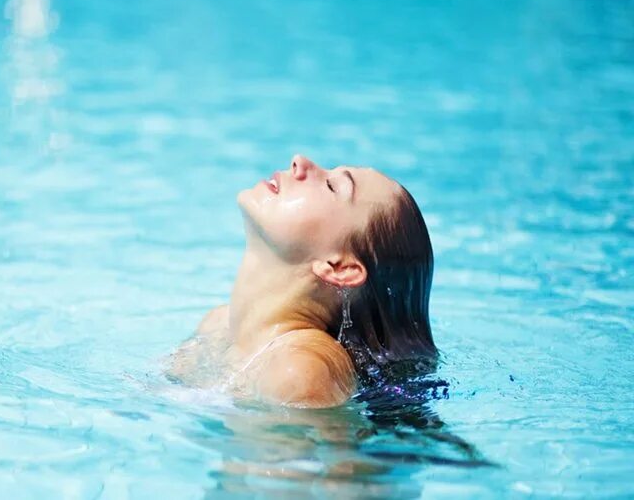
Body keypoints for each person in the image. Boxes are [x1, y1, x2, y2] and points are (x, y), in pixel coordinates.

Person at [168, 154, 437, 408]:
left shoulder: (301, 371)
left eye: (332, 186)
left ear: (340, 268)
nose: (300, 161)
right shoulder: (215, 326)